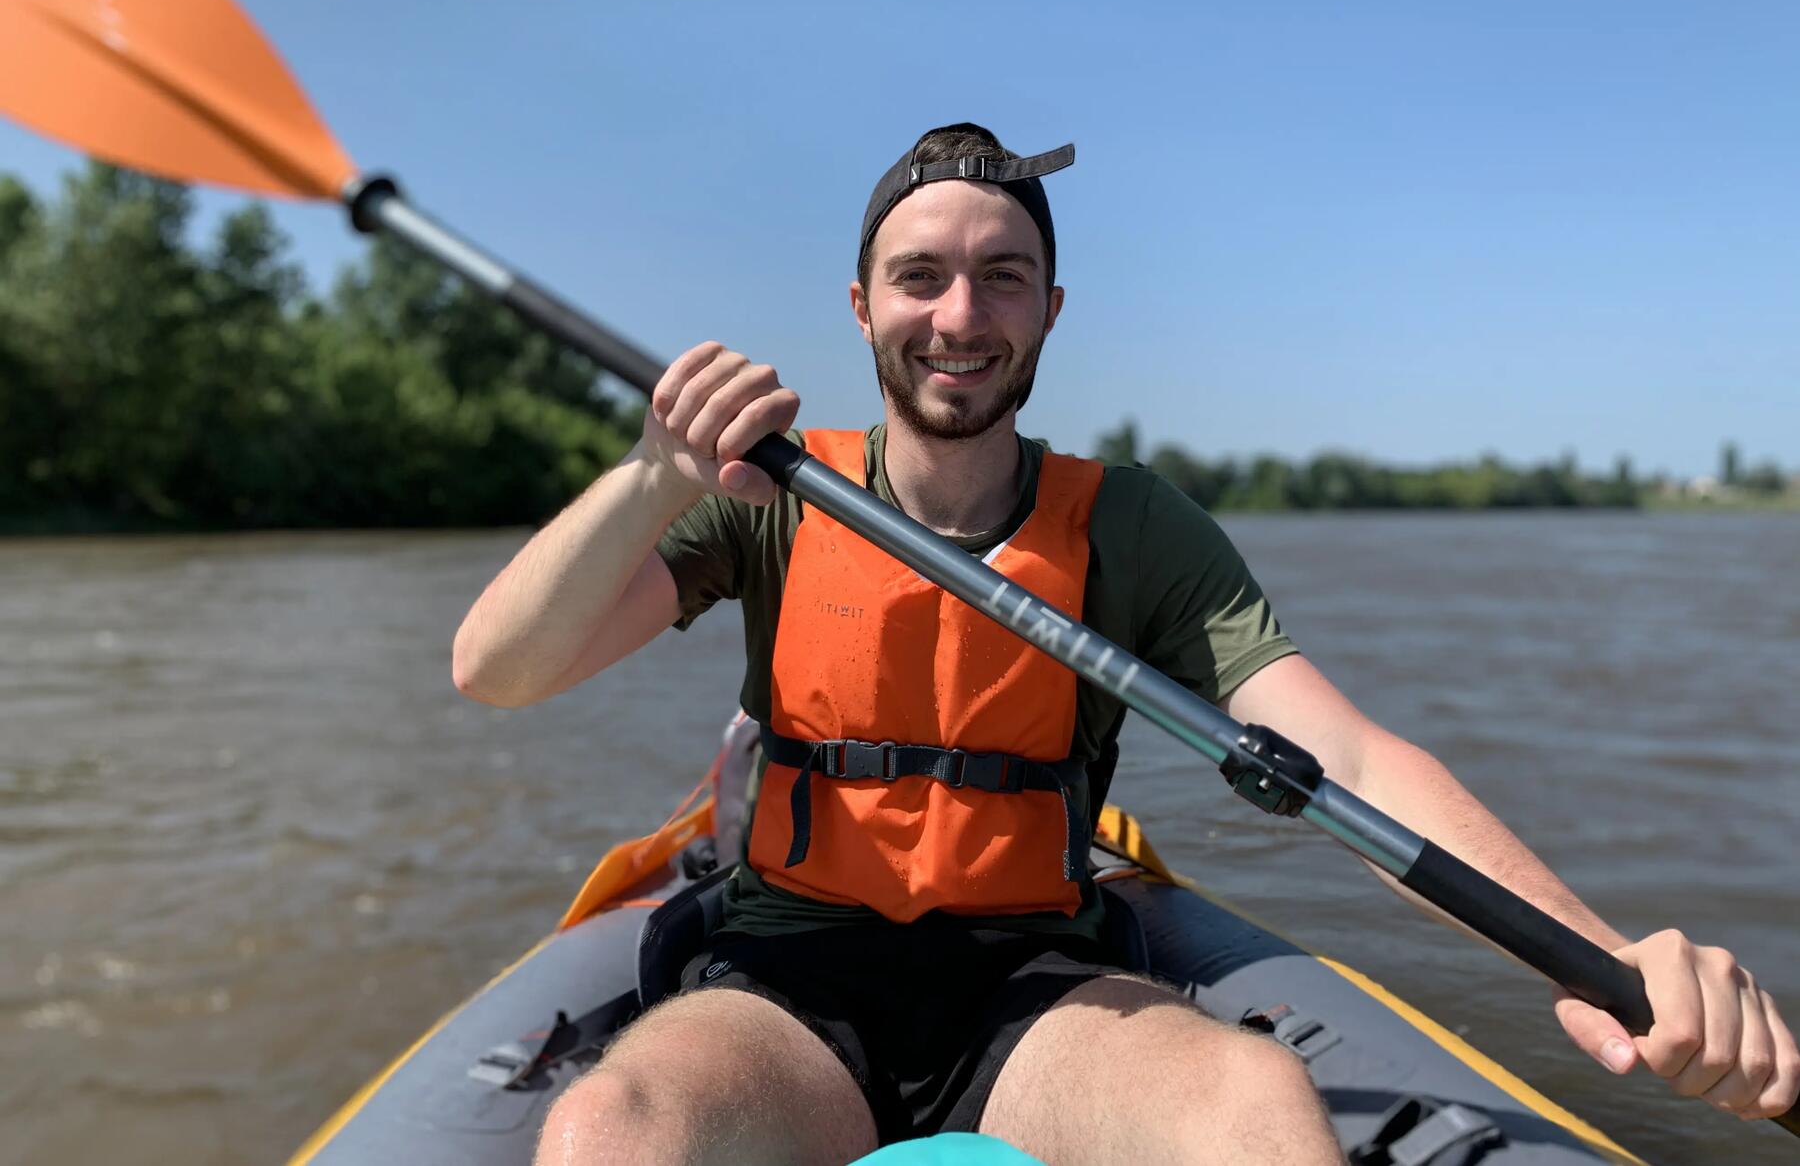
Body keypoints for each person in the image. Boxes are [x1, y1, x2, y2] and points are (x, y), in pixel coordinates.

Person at [453, 123, 1797, 1165]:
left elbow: (1351, 759)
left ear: (1049, 309)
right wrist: (652, 470)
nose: (961, 317)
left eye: (1003, 278)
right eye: (919, 278)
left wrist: (1608, 963)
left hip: (1035, 992)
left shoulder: (1136, 527)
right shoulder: (765, 499)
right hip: (786, 982)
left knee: (1259, 1107)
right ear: (861, 306)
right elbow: (496, 670)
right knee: (611, 1126)